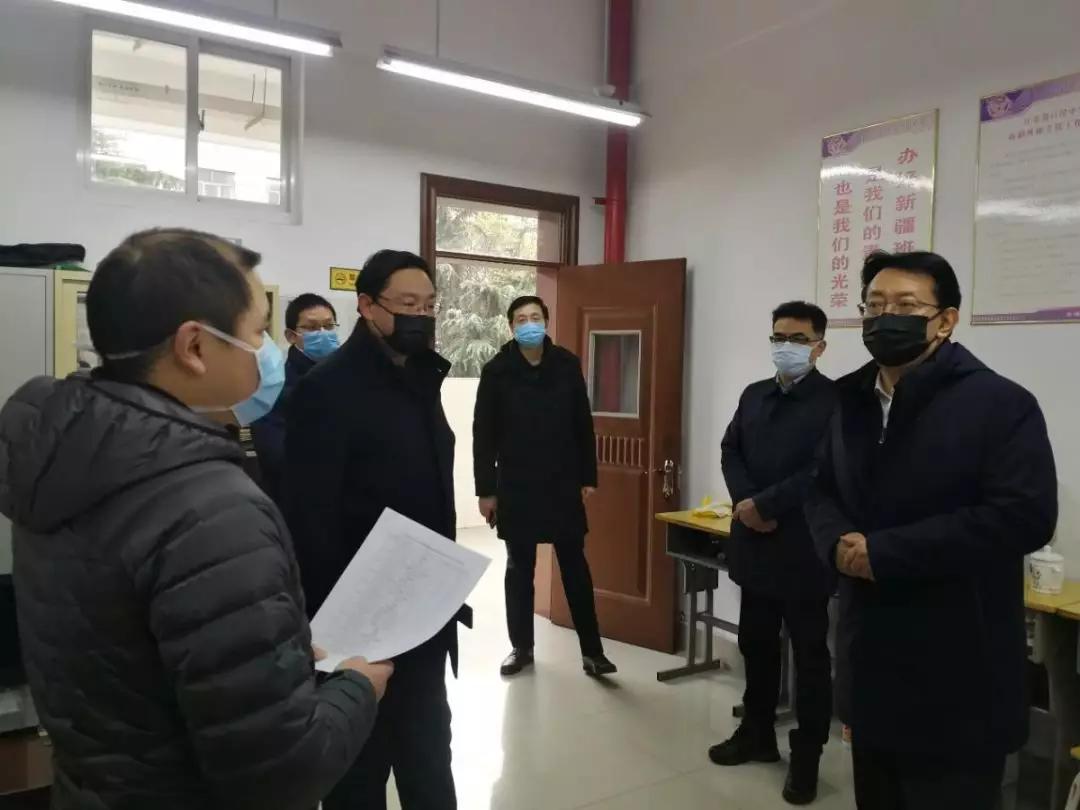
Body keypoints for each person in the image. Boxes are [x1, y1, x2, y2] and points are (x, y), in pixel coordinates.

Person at [0, 228, 393, 810]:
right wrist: (357, 687)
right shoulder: (212, 506)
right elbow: (281, 772)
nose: (267, 351)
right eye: (258, 331)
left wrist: (271, 649)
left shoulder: (64, 455)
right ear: (194, 346)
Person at [806, 251, 1058, 810]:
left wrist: (886, 552)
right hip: (870, 661)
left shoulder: (1000, 404)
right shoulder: (846, 399)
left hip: (958, 671)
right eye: (874, 305)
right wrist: (835, 542)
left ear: (945, 321)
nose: (885, 317)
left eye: (905, 306)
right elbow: (819, 487)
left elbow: (1024, 515)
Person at [285, 250, 466, 810]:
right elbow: (310, 517)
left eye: (429, 305)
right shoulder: (327, 389)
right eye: (407, 303)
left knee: (428, 758)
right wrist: (332, 630)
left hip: (423, 609)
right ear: (366, 306)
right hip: (355, 620)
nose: (420, 316)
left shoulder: (422, 376)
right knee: (357, 774)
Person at [710, 301, 837, 805]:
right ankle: (757, 734)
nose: (787, 346)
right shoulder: (754, 394)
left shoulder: (836, 402)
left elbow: (823, 471)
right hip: (755, 544)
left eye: (799, 339)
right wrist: (747, 504)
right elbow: (730, 449)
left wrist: (766, 504)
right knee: (755, 645)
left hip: (805, 548)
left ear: (820, 347)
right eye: (779, 337)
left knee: (810, 657)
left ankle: (807, 756)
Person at [473, 295, 617, 679]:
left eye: (535, 317)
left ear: (547, 321)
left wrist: (588, 476)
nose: (529, 324)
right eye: (521, 319)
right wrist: (486, 490)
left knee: (575, 565)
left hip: (562, 481)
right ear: (511, 327)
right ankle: (521, 648)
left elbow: (583, 424)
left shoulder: (567, 365)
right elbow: (483, 435)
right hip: (516, 483)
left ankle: (593, 652)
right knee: (520, 568)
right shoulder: (497, 371)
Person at [251, 293, 339, 504]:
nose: (322, 333)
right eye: (311, 328)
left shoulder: (348, 377)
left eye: (329, 326)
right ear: (291, 336)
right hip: (294, 503)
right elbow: (276, 456)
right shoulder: (272, 387)